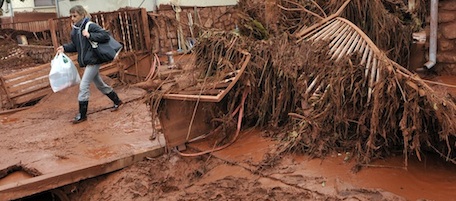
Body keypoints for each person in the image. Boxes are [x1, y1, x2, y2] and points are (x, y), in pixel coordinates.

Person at [57, 5, 123, 124]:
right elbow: (76, 46)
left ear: (82, 15)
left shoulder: (89, 25)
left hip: (94, 61)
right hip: (88, 61)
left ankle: (82, 115)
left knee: (84, 85)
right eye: (71, 16)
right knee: (100, 84)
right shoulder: (75, 30)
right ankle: (117, 101)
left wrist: (90, 35)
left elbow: (105, 35)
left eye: (75, 16)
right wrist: (64, 48)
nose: (72, 18)